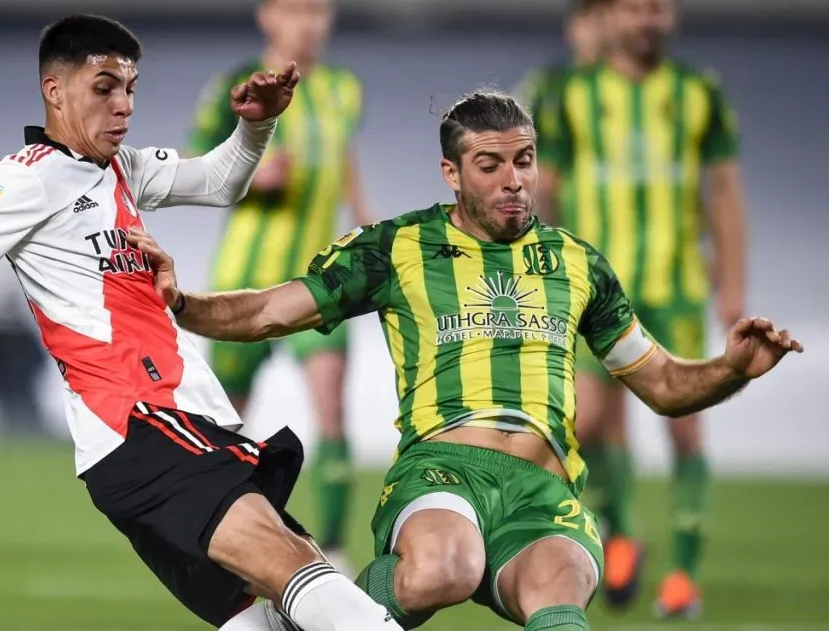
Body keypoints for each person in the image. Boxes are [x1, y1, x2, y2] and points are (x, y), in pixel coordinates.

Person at [123, 90, 800, 631]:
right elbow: (271, 310)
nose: (515, 181)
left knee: (563, 601)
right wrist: (181, 301)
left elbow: (663, 384)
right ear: (452, 171)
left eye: (525, 160)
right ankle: (313, 620)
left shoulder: (579, 264)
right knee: (446, 565)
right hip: (441, 468)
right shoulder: (398, 247)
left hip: (544, 490)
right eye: (492, 165)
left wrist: (733, 367)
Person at [0, 15, 403, 631]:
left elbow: (219, 181)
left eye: (130, 88)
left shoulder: (121, 167)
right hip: (136, 424)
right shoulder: (27, 176)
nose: (123, 105)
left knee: (266, 608)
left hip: (178, 419)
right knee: (294, 566)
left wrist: (257, 123)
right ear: (55, 90)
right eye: (104, 87)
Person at [534, 0, 747, 616]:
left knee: (685, 422)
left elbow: (725, 189)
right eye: (637, 9)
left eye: (660, 8)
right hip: (600, 288)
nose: (650, 19)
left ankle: (684, 575)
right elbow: (547, 187)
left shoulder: (698, 93)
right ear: (614, 17)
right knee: (588, 422)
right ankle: (622, 531)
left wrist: (732, 282)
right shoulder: (569, 92)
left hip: (675, 286)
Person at [187, 0, 374, 572]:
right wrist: (251, 175)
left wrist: (365, 221)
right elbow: (199, 169)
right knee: (223, 421)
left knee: (332, 407)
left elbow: (342, 159)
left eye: (320, 11)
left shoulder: (344, 88)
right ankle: (209, 533)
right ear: (267, 16)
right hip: (244, 280)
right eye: (297, 9)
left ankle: (335, 550)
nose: (309, 22)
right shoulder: (233, 85)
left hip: (318, 280)